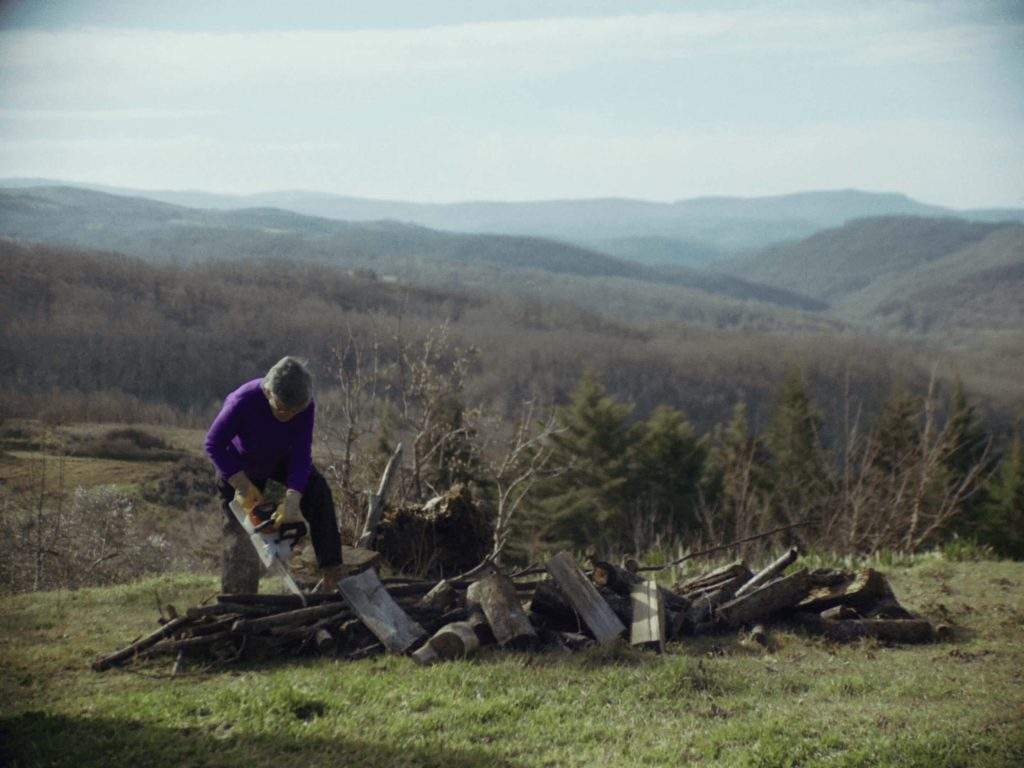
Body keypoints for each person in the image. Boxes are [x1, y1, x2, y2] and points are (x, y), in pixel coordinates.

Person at [204, 356, 343, 593]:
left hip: (276, 469)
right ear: (268, 392)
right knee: (240, 540)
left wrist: (292, 498)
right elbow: (213, 444)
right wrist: (244, 487)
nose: (289, 415)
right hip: (238, 472)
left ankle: (333, 573)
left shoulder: (305, 405)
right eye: (282, 409)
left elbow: (301, 454)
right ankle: (238, 601)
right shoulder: (242, 402)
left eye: (294, 411)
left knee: (318, 490)